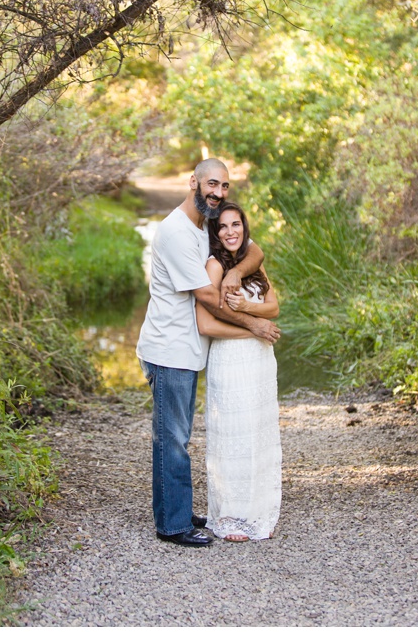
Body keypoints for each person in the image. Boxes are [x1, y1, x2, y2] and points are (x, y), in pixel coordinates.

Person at [136, 158, 280, 547]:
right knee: (172, 438)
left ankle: (180, 508)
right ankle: (173, 524)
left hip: (190, 349)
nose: (218, 192)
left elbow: (255, 250)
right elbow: (208, 298)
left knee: (178, 435)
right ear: (193, 182)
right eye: (211, 184)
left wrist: (235, 272)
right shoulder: (176, 233)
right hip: (170, 349)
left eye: (224, 186)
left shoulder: (206, 226)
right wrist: (253, 324)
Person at [196, 202, 281, 542]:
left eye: (237, 225)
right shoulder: (214, 266)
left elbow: (273, 307)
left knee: (257, 434)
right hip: (231, 359)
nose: (231, 231)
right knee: (232, 433)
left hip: (260, 361)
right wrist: (253, 328)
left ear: (244, 228)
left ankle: (257, 510)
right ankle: (231, 515)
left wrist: (247, 307)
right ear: (215, 233)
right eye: (224, 226)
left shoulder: (253, 265)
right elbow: (206, 323)